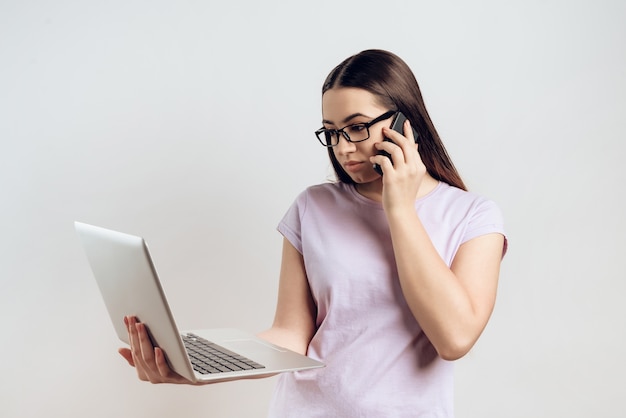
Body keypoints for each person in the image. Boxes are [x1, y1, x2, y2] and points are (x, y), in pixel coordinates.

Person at [119, 49, 507, 417]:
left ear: (405, 122)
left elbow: (454, 338)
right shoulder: (312, 207)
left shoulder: (473, 216)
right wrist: (199, 366)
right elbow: (291, 336)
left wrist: (399, 208)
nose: (342, 148)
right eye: (331, 132)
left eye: (356, 128)